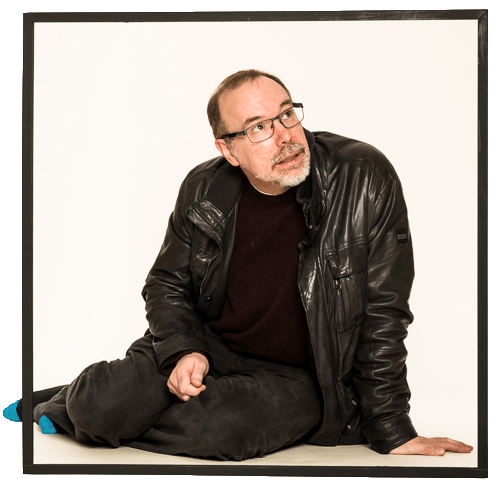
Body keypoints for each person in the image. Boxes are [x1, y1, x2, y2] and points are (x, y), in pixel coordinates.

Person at [4, 69, 473, 461]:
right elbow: (166, 284)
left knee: (217, 432)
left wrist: (390, 427)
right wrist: (185, 351)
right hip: (205, 347)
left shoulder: (363, 176)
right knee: (98, 407)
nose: (285, 136)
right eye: (257, 128)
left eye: (286, 114)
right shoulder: (205, 188)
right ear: (227, 150)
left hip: (298, 376)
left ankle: (96, 410)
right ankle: (85, 405)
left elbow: (384, 309)